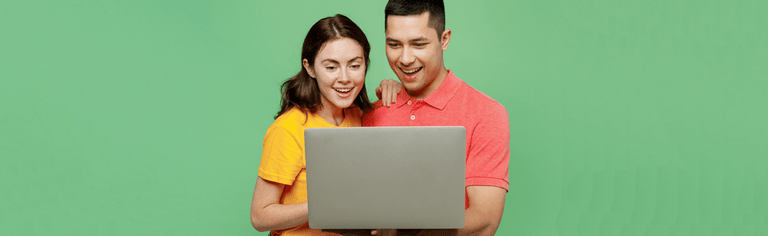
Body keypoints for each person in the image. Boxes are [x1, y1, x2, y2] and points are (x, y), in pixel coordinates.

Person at [362, 1, 510, 235]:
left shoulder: (486, 113)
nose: (406, 58)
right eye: (394, 44)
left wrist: (401, 231)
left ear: (444, 39)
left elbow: (485, 220)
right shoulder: (370, 113)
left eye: (419, 44)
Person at [250, 14, 401, 236]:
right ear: (310, 68)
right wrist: (326, 205)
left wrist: (398, 89)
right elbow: (260, 217)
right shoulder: (290, 128)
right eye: (331, 67)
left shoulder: (363, 118)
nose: (345, 78)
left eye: (355, 65)